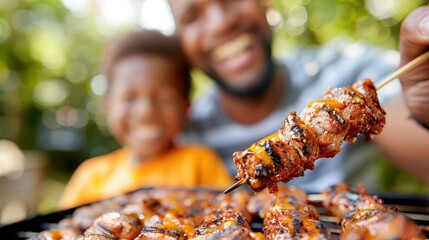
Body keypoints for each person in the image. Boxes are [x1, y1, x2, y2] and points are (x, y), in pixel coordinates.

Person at [168, 0, 429, 192]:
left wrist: (422, 114)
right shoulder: (182, 135)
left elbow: (405, 123)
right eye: (192, 16)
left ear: (266, 4)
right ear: (180, 43)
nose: (220, 23)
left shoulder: (348, 69)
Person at [59, 30, 233, 209]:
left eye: (163, 98)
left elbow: (230, 211)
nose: (146, 111)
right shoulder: (91, 176)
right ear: (108, 106)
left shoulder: (200, 163)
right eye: (129, 98)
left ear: (185, 108)